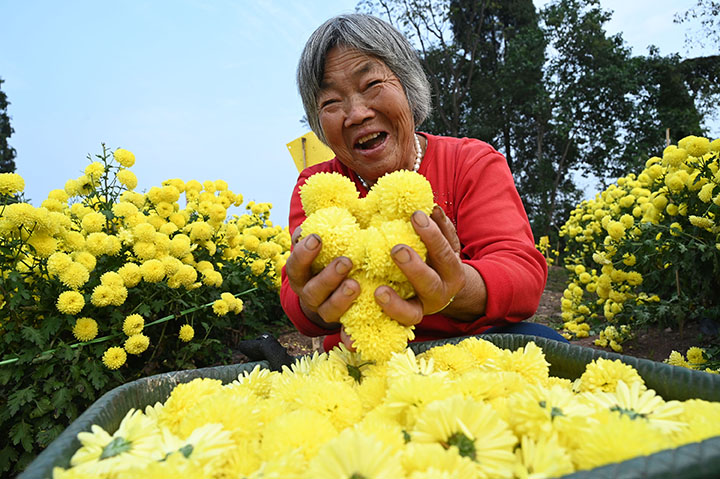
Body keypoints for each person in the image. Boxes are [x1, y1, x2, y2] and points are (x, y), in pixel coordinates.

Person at [281, 13, 565, 352]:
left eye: (372, 85)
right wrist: (312, 303)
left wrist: (450, 286)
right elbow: (296, 297)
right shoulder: (317, 185)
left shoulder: (470, 162)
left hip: (475, 346)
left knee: (547, 350)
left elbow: (519, 276)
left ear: (408, 86)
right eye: (330, 103)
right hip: (363, 354)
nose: (356, 114)